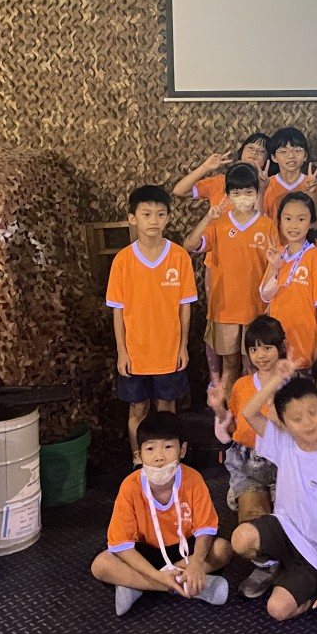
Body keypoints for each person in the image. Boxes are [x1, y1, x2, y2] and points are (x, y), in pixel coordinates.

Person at [232, 366, 317, 626]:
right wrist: (277, 378)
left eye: (313, 412)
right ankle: (273, 566)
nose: (308, 423)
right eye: (297, 418)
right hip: (284, 529)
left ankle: (307, 591)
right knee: (240, 539)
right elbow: (249, 412)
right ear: (284, 424)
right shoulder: (283, 442)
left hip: (314, 554)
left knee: (277, 609)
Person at [92, 411, 232, 615]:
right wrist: (158, 576)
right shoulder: (130, 486)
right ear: (139, 455)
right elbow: (121, 544)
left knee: (222, 549)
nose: (159, 457)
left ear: (182, 450)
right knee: (100, 565)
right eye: (150, 449)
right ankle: (185, 585)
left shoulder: (193, 479)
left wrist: (196, 562)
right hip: (145, 552)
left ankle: (135, 585)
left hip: (184, 551)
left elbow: (205, 528)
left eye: (168, 447)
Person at [107, 185, 198, 462]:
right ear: (133, 218)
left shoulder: (179, 257)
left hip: (168, 351)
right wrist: (122, 351)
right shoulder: (122, 261)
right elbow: (118, 311)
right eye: (146, 214)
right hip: (135, 353)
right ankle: (139, 460)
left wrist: (182, 346)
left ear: (168, 217)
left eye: (160, 214)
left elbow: (184, 307)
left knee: (167, 408)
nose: (154, 221)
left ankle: (168, 459)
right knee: (138, 409)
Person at [184, 162, 279, 395]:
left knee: (254, 367)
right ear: (227, 195)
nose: (243, 197)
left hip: (256, 309)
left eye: (248, 191)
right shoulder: (218, 223)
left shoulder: (267, 225)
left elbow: (275, 269)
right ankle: (231, 412)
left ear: (257, 192)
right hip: (224, 309)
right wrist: (207, 218)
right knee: (230, 365)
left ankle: (253, 413)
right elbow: (189, 245)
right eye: (236, 192)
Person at [208, 316, 286, 524]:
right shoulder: (241, 385)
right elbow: (233, 427)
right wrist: (219, 409)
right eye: (254, 349)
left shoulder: (293, 384)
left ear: (281, 347)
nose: (260, 355)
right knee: (254, 520)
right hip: (247, 462)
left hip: (285, 463)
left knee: (287, 520)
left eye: (267, 348)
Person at [260, 192, 317, 369]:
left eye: (301, 219)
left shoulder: (316, 256)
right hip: (277, 341)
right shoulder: (278, 253)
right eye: (288, 218)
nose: (293, 225)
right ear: (279, 221)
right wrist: (273, 266)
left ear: (312, 223)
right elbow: (265, 295)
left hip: (305, 341)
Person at [173, 132, 271, 206]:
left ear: (267, 160)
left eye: (261, 151)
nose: (254, 153)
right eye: (250, 148)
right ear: (241, 152)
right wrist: (205, 167)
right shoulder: (220, 181)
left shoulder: (270, 186)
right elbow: (179, 191)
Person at [264, 127, 317, 225]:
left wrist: (312, 195)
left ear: (305, 156)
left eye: (297, 150)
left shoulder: (311, 182)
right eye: (284, 152)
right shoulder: (267, 183)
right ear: (274, 157)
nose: (291, 156)